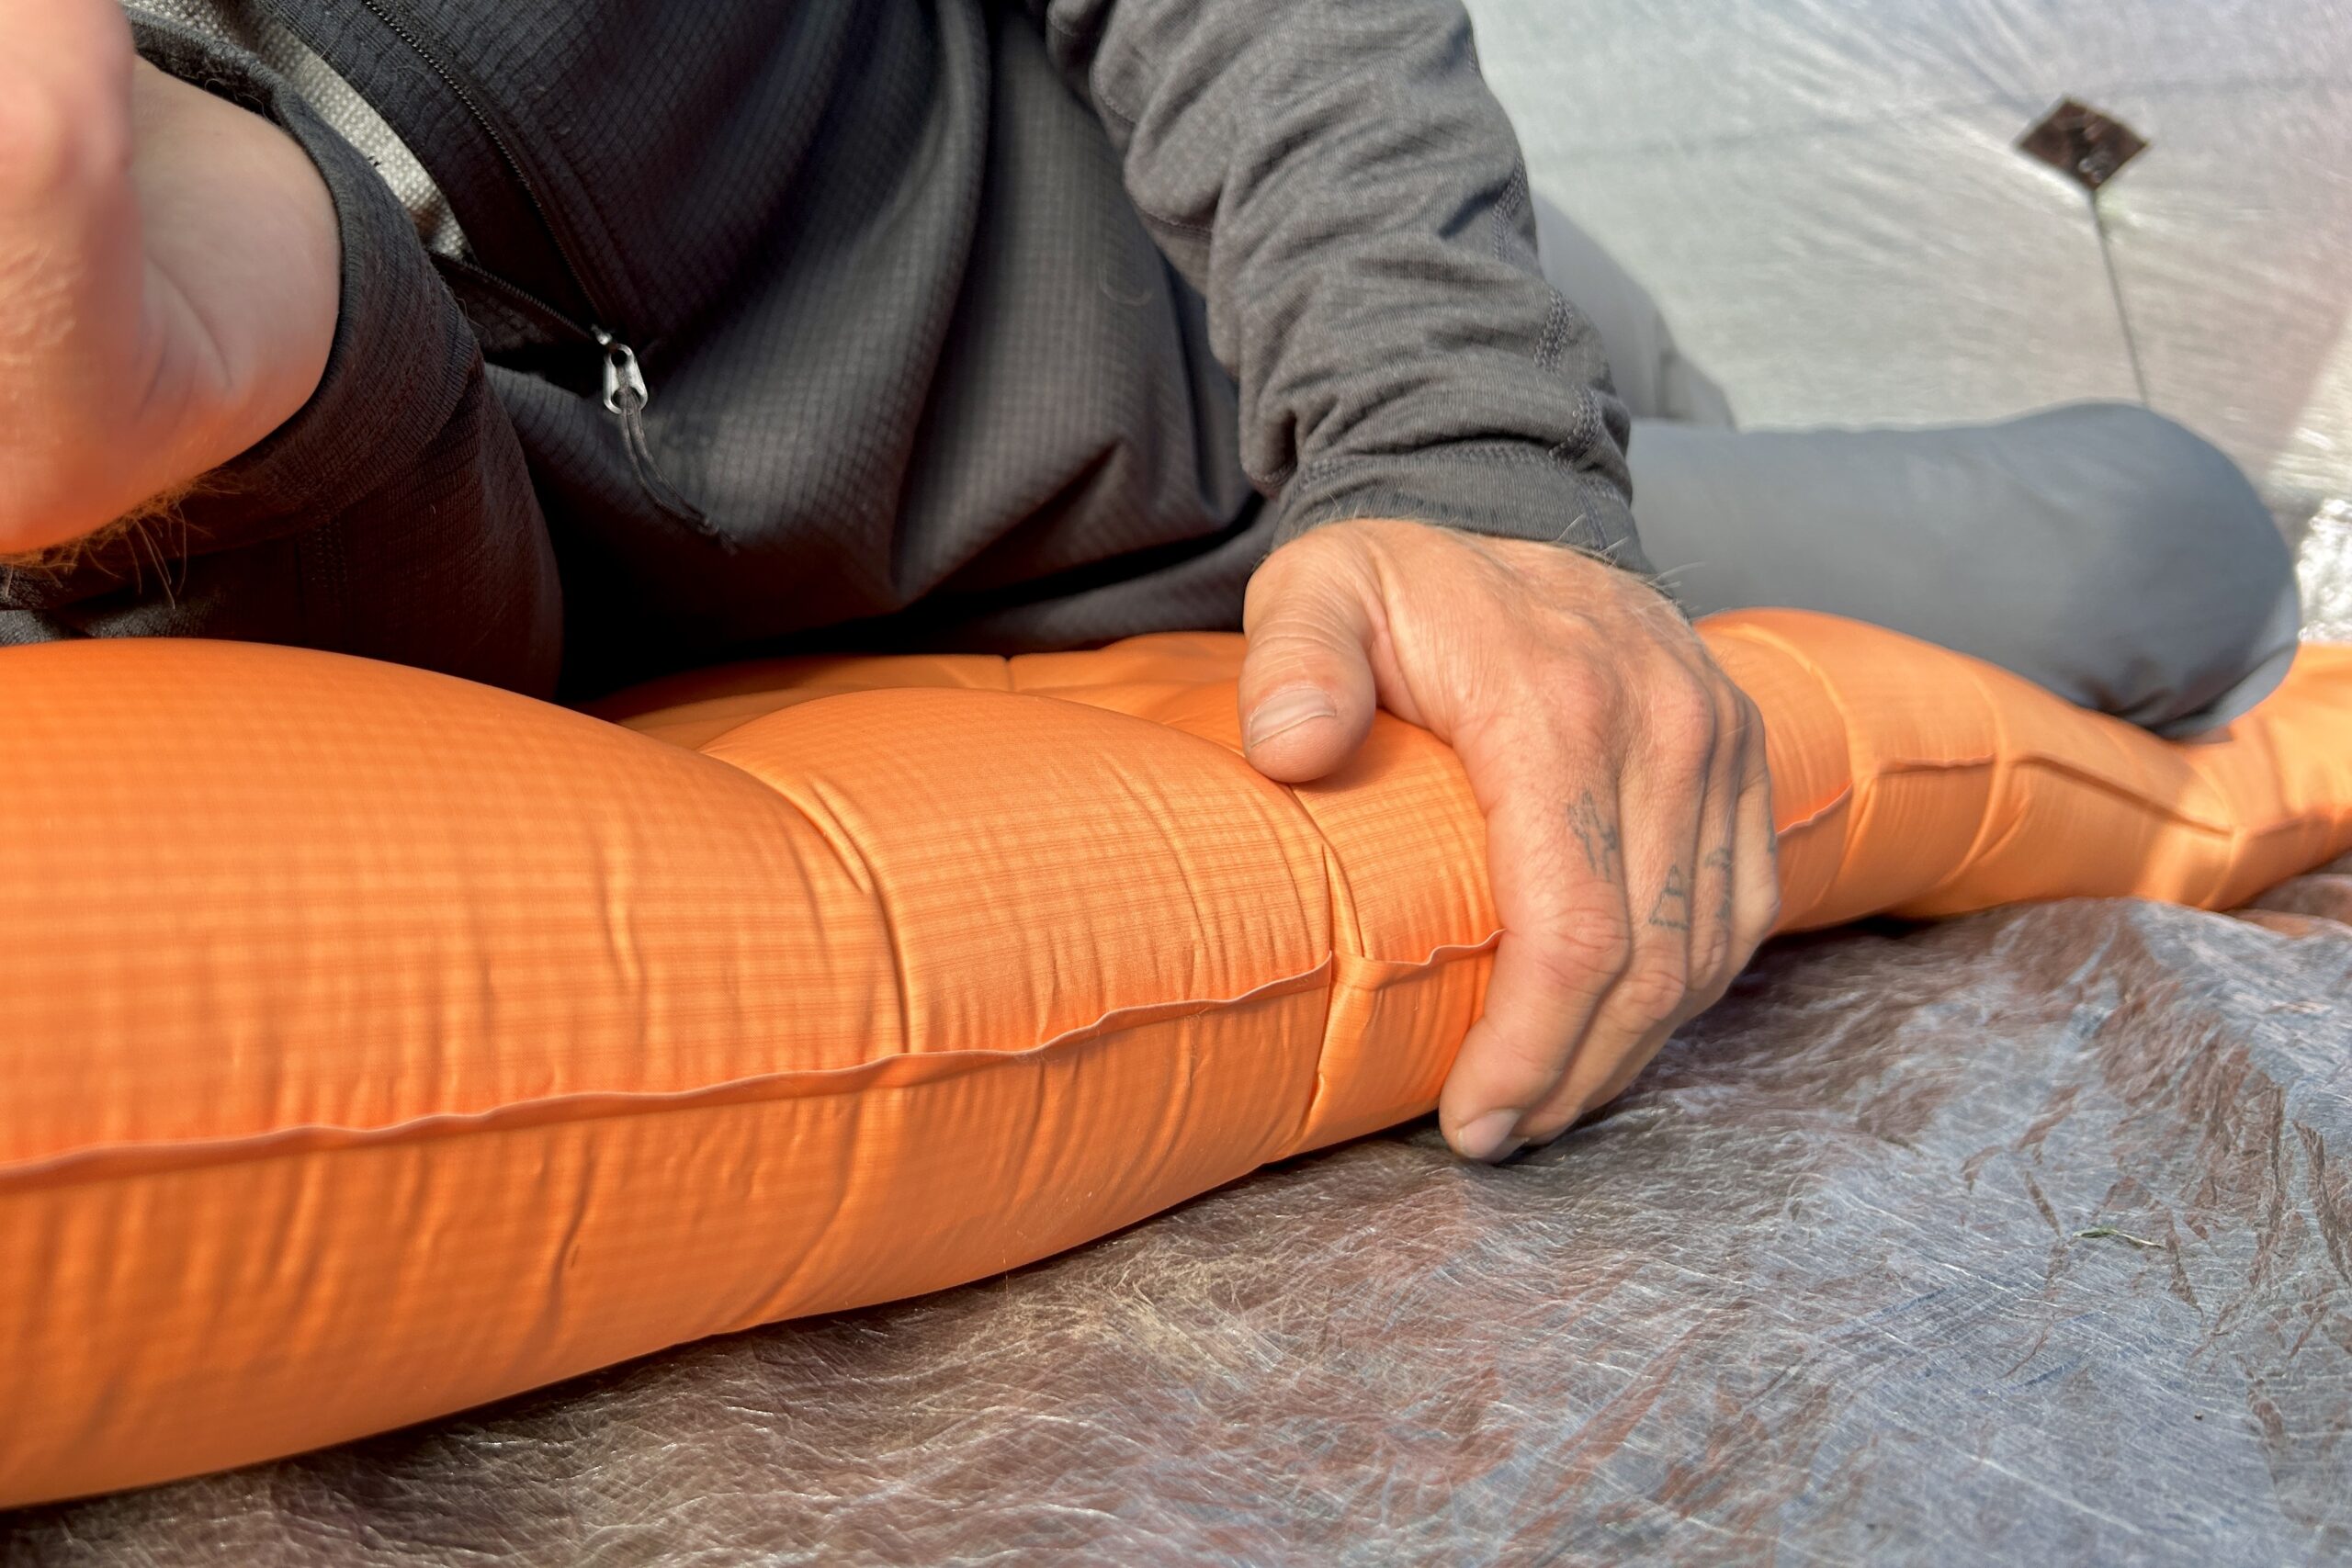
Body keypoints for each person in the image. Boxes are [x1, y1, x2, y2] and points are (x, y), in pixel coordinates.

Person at [0, 0, 2296, 1164]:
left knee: (2143, 544)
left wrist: (1469, 460)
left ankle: (1593, 387)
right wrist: (279, 347)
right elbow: (442, 700)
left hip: (1234, 357)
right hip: (918, 649)